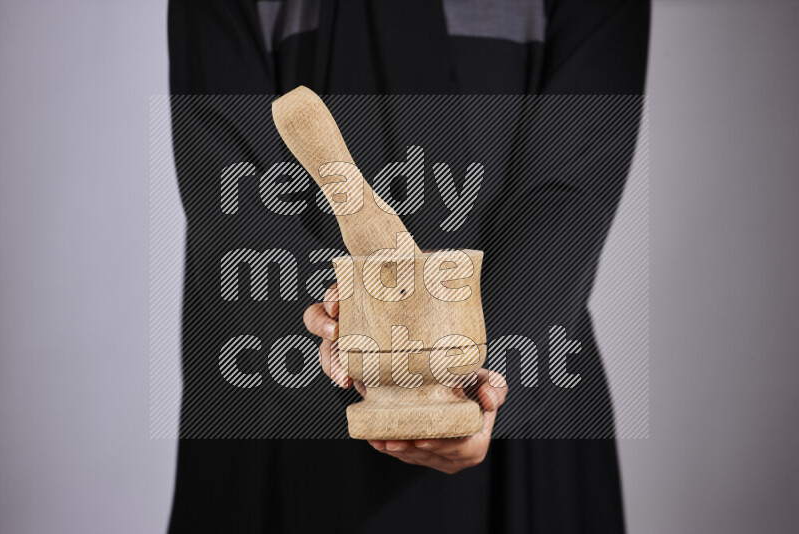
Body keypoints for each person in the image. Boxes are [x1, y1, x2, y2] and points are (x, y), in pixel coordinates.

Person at [166, 1, 649, 532]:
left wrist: (482, 385)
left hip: (525, 380)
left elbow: (573, 182)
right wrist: (337, 329)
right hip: (276, 398)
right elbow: (223, 177)